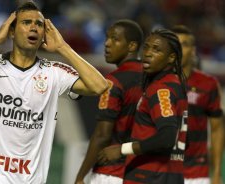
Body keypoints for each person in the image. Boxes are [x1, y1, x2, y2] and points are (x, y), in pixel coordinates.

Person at [0, 1, 108, 184]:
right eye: (26, 22)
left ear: (44, 35)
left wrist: (63, 47)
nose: (34, 27)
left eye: (39, 24)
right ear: (12, 31)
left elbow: (99, 86)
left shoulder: (54, 72)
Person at [97, 28, 188, 184]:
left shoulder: (161, 89)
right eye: (146, 47)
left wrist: (122, 149)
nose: (148, 53)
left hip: (149, 177)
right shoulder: (176, 85)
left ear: (171, 57)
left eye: (156, 50)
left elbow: (167, 137)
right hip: (172, 174)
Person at [75, 19, 144, 184]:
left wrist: (80, 176)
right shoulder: (154, 80)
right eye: (107, 38)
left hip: (111, 173)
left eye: (115, 39)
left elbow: (102, 135)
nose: (107, 43)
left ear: (132, 46)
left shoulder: (114, 81)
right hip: (143, 173)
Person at [171, 25, 224, 184]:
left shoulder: (208, 84)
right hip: (160, 171)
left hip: (196, 174)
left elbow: (217, 129)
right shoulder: (154, 81)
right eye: (175, 44)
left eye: (185, 44)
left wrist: (216, 174)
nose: (179, 49)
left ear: (193, 50)